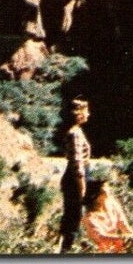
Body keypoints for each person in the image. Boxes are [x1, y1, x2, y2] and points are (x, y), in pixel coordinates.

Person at [59, 97, 92, 253]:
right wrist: (82, 186)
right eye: (86, 111)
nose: (89, 114)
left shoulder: (75, 131)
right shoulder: (75, 134)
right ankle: (67, 250)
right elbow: (77, 163)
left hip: (75, 176)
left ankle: (67, 247)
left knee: (73, 214)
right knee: (74, 216)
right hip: (75, 178)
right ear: (79, 113)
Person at [82, 173, 133, 253]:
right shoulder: (90, 218)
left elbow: (123, 225)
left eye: (108, 189)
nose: (108, 193)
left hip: (118, 247)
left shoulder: (112, 204)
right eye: (104, 192)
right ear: (95, 196)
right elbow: (101, 237)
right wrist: (123, 238)